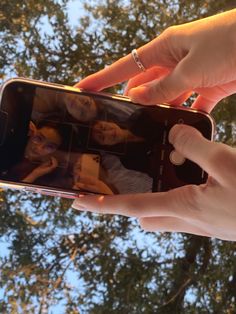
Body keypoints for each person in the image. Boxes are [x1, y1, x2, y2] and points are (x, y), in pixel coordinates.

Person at [72, 9, 236, 242]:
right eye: (102, 137)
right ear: (107, 144)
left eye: (102, 127)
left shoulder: (140, 117)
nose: (105, 132)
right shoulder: (129, 160)